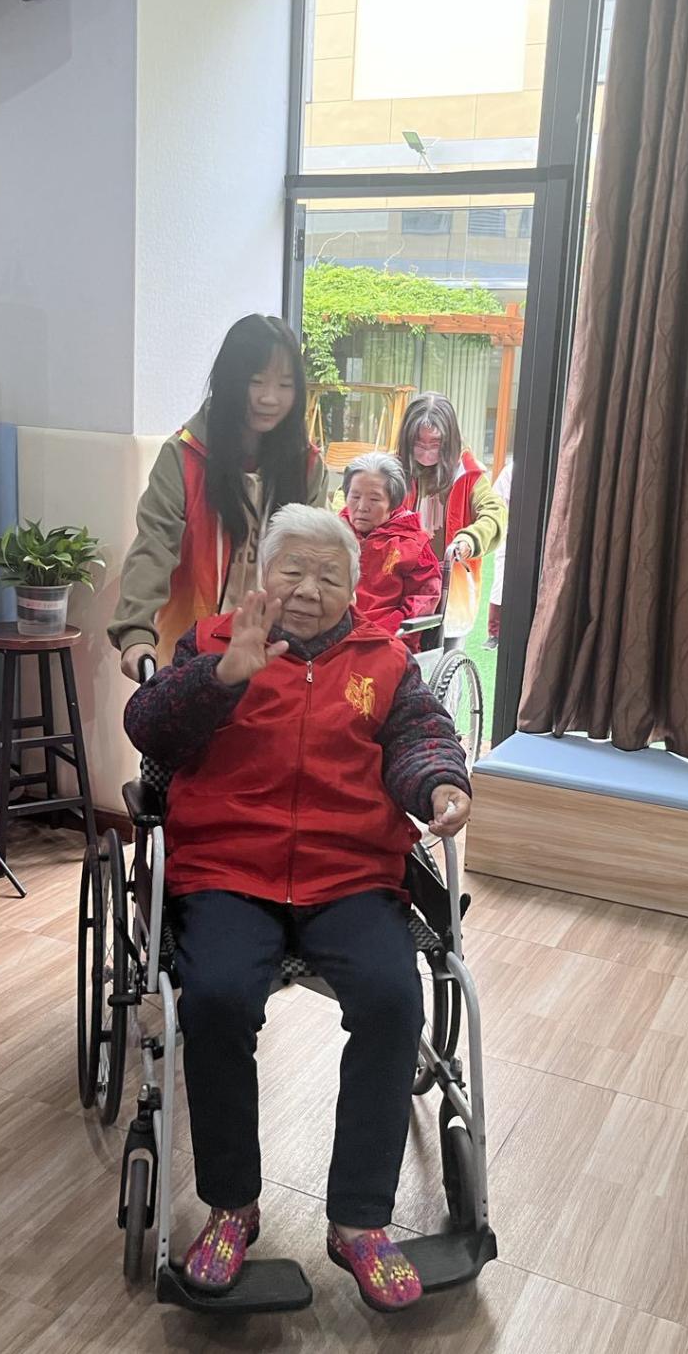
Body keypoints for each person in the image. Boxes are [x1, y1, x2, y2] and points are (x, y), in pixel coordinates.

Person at [124, 505, 471, 1313]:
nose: (309, 589)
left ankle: (359, 1220)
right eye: (293, 571)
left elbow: (421, 740)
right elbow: (148, 729)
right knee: (215, 997)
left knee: (392, 998)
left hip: (350, 873)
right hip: (228, 870)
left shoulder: (385, 661)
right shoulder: (212, 642)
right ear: (262, 575)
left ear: (354, 584)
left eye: (329, 575)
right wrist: (221, 677)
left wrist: (439, 785)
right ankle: (232, 1206)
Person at [109, 314, 329, 677]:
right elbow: (154, 547)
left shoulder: (307, 466)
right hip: (191, 653)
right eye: (256, 382)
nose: (269, 398)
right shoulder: (184, 456)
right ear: (229, 381)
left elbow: (319, 558)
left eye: (285, 385)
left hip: (277, 653)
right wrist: (135, 632)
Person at [396, 392, 506, 644]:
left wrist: (469, 540)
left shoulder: (468, 475)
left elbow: (494, 513)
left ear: (449, 441)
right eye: (418, 443)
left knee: (446, 655)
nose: (426, 452)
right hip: (401, 585)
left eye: (434, 444)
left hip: (450, 588)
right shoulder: (394, 470)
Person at [340, 451, 441, 651]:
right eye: (355, 496)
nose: (362, 507)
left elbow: (423, 599)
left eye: (374, 499)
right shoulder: (331, 534)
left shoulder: (412, 545)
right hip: (331, 634)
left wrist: (385, 631)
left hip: (383, 640)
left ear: (393, 502)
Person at [484, 459, 513, 650]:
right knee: (500, 583)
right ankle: (495, 633)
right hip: (509, 535)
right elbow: (496, 503)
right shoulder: (512, 470)